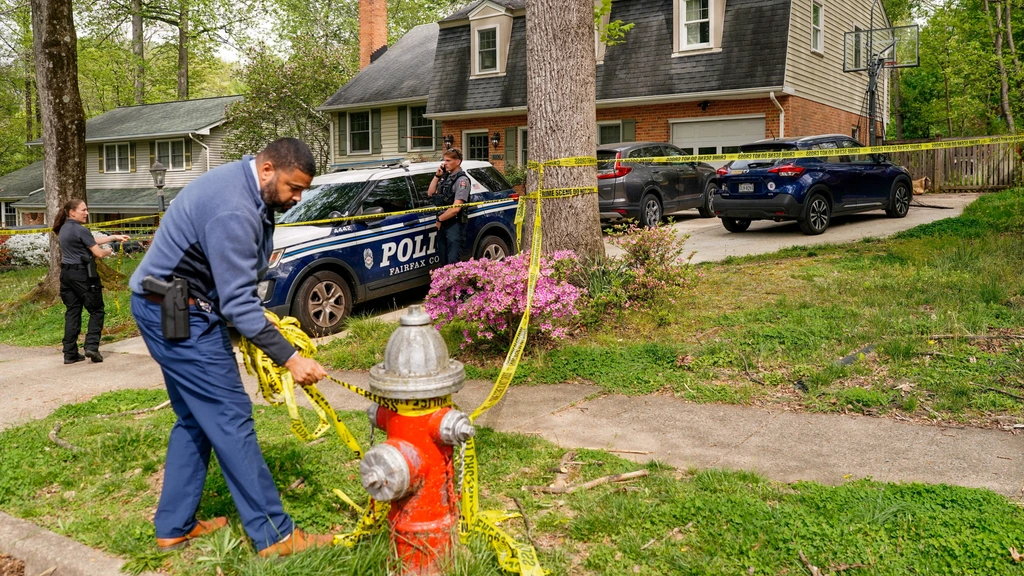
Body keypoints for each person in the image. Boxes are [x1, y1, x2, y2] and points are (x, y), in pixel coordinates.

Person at [129, 138, 333, 557]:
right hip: (177, 310)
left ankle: (174, 527)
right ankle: (275, 536)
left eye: (302, 191)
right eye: (293, 188)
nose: (296, 198)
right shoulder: (234, 208)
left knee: (195, 418)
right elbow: (239, 302)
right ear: (267, 169)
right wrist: (291, 358)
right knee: (231, 418)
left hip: (170, 303)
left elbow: (231, 283)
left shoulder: (247, 190)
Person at [52, 200, 129, 364]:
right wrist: (109, 251)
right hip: (83, 275)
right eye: (83, 210)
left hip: (66, 275)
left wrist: (114, 237)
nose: (86, 213)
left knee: (72, 312)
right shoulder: (81, 229)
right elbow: (98, 254)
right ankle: (92, 347)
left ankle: (70, 353)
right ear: (72, 212)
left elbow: (89, 240)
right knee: (97, 310)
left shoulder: (64, 228)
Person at [426, 147, 471, 265]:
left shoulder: (462, 180)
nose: (445, 163)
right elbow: (430, 193)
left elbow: (456, 208)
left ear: (458, 161)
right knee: (443, 263)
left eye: (448, 161)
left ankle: (454, 284)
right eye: (444, 160)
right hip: (443, 225)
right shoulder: (445, 177)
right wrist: (437, 176)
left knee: (452, 264)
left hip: (454, 225)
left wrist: (439, 219)